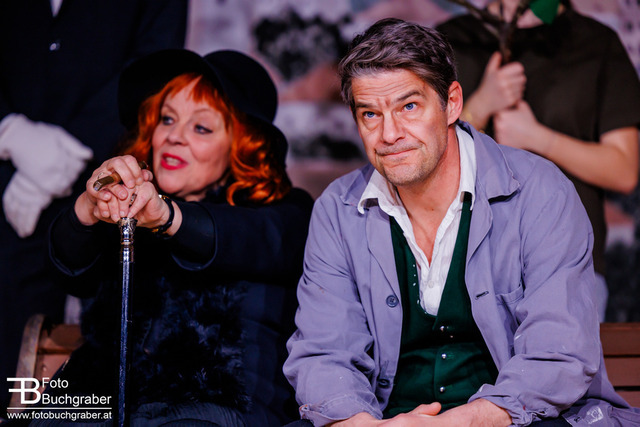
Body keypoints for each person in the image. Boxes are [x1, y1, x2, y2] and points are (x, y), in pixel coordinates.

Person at [283, 18, 640, 426]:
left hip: (518, 419)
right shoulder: (338, 209)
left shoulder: (540, 192)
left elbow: (558, 355)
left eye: (409, 106)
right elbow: (324, 352)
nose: (389, 134)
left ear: (452, 103)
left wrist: (460, 422)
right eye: (370, 114)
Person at [43, 49, 313, 425]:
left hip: (214, 408)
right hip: (97, 403)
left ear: (241, 146)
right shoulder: (126, 205)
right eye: (167, 119)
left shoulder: (285, 212)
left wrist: (167, 217)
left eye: (201, 128)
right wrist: (88, 208)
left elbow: (257, 238)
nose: (174, 137)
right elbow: (69, 271)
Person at [0, 0, 188, 412]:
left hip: (109, 166)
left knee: (106, 353)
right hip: (8, 174)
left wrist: (58, 161)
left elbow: (152, 65)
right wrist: (9, 131)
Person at [435, 0, 640, 321]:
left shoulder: (595, 43)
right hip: (467, 262)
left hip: (565, 261)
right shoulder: (450, 42)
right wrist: (480, 106)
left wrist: (537, 138)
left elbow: (623, 170)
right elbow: (428, 161)